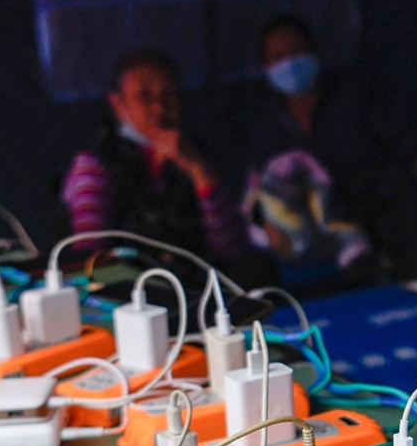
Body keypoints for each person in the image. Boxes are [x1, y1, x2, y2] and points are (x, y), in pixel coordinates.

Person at [243, 15, 417, 280]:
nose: (289, 63)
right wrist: (266, 221)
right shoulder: (267, 125)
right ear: (266, 67)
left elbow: (405, 135)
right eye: (278, 57)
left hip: (380, 203)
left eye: (296, 51)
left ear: (314, 52)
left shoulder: (356, 93)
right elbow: (261, 186)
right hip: (323, 224)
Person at [61, 50, 271, 284]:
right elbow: (91, 254)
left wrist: (198, 170)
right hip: (133, 289)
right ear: (118, 103)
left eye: (168, 93)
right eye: (144, 96)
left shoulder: (196, 150)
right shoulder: (94, 163)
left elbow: (232, 247)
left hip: (198, 285)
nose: (159, 107)